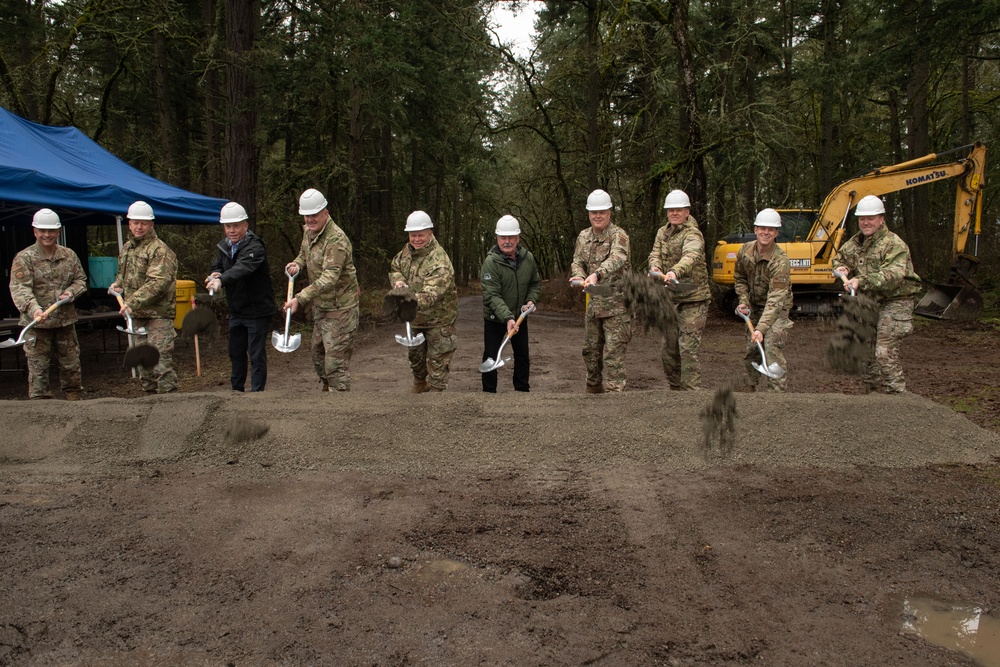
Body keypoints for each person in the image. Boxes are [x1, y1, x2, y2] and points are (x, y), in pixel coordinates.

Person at [833, 195, 921, 394]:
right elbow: (839, 260)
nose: (865, 222)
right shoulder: (855, 242)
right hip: (870, 302)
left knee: (884, 351)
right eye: (862, 218)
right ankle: (873, 397)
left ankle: (897, 396)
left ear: (881, 219)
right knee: (865, 351)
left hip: (896, 301)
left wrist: (861, 281)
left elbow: (893, 275)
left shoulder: (894, 244)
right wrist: (842, 268)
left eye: (871, 218)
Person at [284, 188, 360, 392]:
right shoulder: (309, 233)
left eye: (314, 215)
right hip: (322, 308)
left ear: (325, 213)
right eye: (306, 215)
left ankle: (340, 406)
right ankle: (328, 398)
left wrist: (300, 298)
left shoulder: (336, 240)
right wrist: (297, 265)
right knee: (318, 357)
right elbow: (304, 253)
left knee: (335, 365)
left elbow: (329, 278)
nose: (310, 219)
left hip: (341, 309)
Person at [8, 209, 88, 400]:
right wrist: (34, 309)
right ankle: (41, 416)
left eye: (51, 230)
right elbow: (20, 289)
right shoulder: (24, 258)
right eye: (42, 230)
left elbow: (81, 280)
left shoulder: (68, 255)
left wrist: (71, 292)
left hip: (64, 323)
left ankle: (75, 407)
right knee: (39, 373)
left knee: (71, 369)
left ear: (58, 231)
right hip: (37, 326)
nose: (47, 234)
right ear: (35, 231)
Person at [206, 202, 277, 392]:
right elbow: (218, 266)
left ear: (245, 225)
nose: (232, 230)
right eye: (228, 226)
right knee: (235, 353)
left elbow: (242, 269)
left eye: (236, 226)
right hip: (237, 310)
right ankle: (236, 391)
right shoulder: (224, 247)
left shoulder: (255, 247)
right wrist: (215, 274)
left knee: (256, 355)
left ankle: (257, 394)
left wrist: (221, 280)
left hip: (257, 310)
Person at [110, 200, 178, 394]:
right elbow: (124, 276)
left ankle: (170, 404)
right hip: (137, 315)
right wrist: (117, 285)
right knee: (143, 365)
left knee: (160, 362)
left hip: (158, 315)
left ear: (151, 224)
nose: (139, 227)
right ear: (129, 224)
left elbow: (157, 283)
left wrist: (131, 302)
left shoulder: (159, 250)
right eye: (135, 223)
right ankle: (148, 405)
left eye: (144, 223)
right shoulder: (127, 249)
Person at [648, 189, 712, 390]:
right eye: (671, 210)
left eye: (679, 209)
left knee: (687, 349)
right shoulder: (662, 232)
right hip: (671, 299)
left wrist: (675, 271)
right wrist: (656, 267)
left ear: (687, 211)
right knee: (669, 349)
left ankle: (691, 394)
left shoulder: (693, 233)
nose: (674, 213)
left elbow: (691, 256)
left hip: (694, 298)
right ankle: (676, 391)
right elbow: (654, 253)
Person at [388, 210, 458, 393]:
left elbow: (431, 295)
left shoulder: (439, 261)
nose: (416, 239)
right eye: (413, 235)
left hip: (439, 321)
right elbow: (395, 267)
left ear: (430, 233)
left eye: (421, 235)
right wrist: (398, 282)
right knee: (416, 359)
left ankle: (435, 400)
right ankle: (419, 386)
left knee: (438, 364)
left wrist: (407, 298)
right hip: (416, 319)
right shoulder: (406, 252)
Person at [569, 189, 632, 393]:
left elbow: (617, 258)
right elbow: (577, 260)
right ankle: (593, 396)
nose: (597, 216)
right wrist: (578, 275)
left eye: (602, 212)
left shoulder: (619, 235)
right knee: (590, 353)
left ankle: (615, 403)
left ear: (609, 213)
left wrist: (596, 274)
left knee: (613, 356)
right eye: (594, 212)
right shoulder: (583, 236)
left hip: (617, 308)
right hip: (594, 306)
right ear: (588, 213)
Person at [480, 215, 541, 393]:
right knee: (491, 355)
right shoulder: (491, 263)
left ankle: (522, 392)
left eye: (511, 238)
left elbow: (535, 283)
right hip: (495, 319)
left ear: (518, 238)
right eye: (503, 238)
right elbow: (492, 296)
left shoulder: (528, 259)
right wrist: (507, 318)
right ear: (497, 238)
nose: (507, 241)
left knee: (522, 356)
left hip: (519, 316)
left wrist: (531, 300)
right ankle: (488, 393)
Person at [734, 208, 793, 392]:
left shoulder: (780, 261)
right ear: (756, 229)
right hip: (755, 306)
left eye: (771, 229)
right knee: (752, 350)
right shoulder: (745, 251)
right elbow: (740, 278)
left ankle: (776, 396)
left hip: (778, 309)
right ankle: (748, 395)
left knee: (770, 346)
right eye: (762, 228)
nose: (766, 232)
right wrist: (744, 301)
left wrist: (761, 328)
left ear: (776, 233)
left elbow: (776, 300)